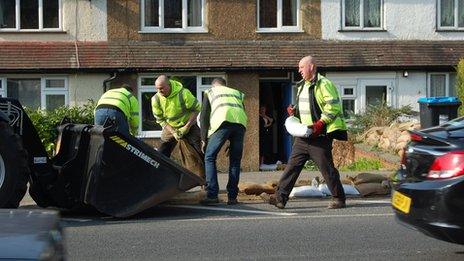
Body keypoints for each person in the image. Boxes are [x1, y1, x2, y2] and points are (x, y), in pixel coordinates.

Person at [261, 55, 348, 209]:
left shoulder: (324, 84)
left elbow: (332, 107)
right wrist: (294, 112)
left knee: (327, 168)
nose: (299, 70)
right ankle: (280, 198)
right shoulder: (302, 85)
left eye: (301, 67)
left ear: (312, 67)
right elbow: (307, 107)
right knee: (292, 167)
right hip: (304, 135)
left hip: (320, 136)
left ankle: (339, 198)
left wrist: (320, 124)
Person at [199, 78, 247, 205]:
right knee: (235, 161)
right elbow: (242, 111)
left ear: (214, 86)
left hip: (222, 123)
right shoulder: (236, 93)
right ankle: (232, 197)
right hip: (240, 125)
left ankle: (212, 194)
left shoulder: (210, 92)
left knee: (209, 157)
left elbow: (204, 117)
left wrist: (203, 139)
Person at [151, 75, 203, 159]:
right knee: (162, 151)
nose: (159, 91)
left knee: (198, 150)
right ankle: (162, 170)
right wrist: (173, 132)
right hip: (170, 126)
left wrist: (187, 127)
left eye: (161, 88)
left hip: (189, 125)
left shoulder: (184, 93)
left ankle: (200, 170)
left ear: (169, 85)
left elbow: (196, 109)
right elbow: (160, 120)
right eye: (157, 88)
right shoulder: (156, 99)